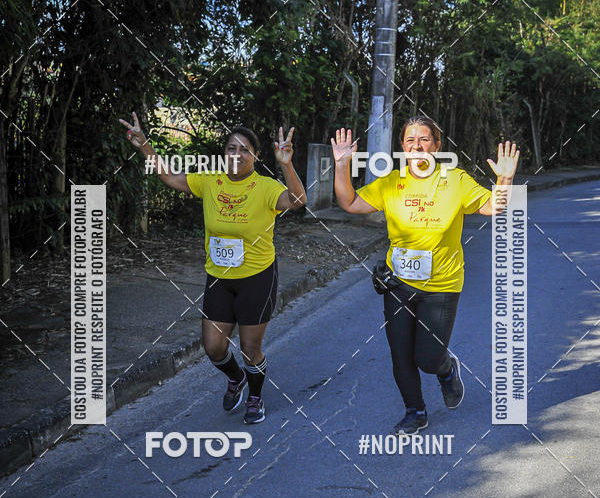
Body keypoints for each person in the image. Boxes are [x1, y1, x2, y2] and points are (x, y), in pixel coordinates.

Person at [331, 117, 519, 434]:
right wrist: (341, 164)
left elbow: (493, 207)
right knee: (401, 353)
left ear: (436, 145)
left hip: (442, 287)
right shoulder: (391, 182)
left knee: (428, 358)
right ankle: (415, 411)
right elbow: (349, 202)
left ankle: (446, 370)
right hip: (398, 285)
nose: (417, 145)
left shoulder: (455, 180)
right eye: (410, 140)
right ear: (402, 147)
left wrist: (504, 180)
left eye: (424, 139)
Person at [119, 113, 307, 423]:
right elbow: (168, 176)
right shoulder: (210, 181)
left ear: (256, 156)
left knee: (250, 348)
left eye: (245, 149)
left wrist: (286, 164)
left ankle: (256, 398)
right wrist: (144, 145)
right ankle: (236, 378)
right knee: (214, 347)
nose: (237, 155)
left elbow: (298, 200)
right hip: (219, 277)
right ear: (224, 153)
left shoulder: (265, 187)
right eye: (231, 148)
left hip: (256, 278)